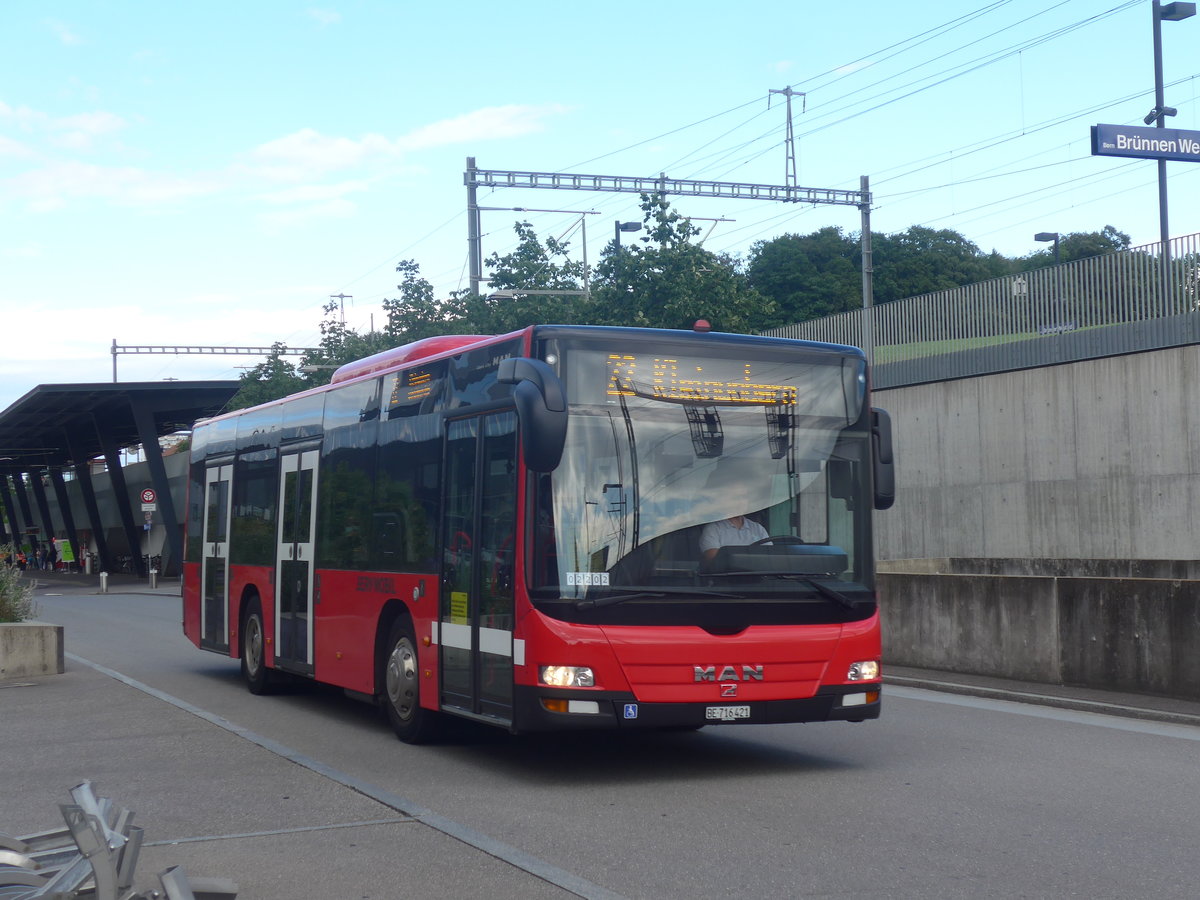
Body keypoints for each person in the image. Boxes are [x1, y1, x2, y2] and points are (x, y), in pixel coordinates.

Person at [699, 513, 769, 563]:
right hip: (726, 578)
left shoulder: (758, 528)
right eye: (735, 499)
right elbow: (713, 558)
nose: (739, 502)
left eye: (742, 499)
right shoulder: (713, 528)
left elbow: (769, 555)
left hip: (757, 576)